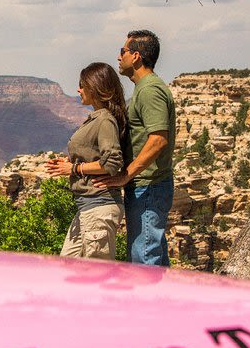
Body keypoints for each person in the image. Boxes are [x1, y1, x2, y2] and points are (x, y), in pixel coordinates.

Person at [94, 30, 176, 266]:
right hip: (145, 186)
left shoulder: (150, 90)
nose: (119, 57)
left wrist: (127, 174)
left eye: (123, 51)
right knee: (152, 256)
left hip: (148, 186)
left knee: (144, 258)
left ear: (137, 56)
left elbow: (158, 139)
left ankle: (146, 303)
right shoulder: (145, 88)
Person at [45, 62, 126, 260]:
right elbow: (96, 156)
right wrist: (70, 163)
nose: (78, 90)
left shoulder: (105, 120)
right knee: (67, 266)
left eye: (82, 85)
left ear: (94, 87)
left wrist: (74, 168)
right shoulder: (96, 118)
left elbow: (112, 162)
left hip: (99, 207)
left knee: (97, 277)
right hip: (87, 207)